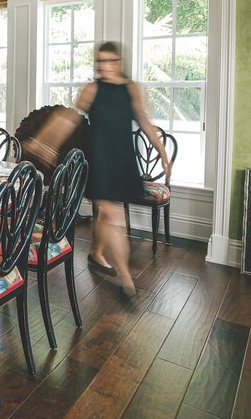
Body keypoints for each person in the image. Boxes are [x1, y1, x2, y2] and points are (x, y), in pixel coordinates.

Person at [24, 42, 171, 296]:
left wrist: (162, 150)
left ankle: (96, 252)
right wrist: (45, 143)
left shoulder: (131, 89)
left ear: (119, 61)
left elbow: (144, 120)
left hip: (124, 158)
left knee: (106, 215)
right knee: (114, 216)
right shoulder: (91, 89)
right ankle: (126, 278)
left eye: (109, 61)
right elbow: (68, 119)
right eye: (99, 62)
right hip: (100, 158)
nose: (104, 66)